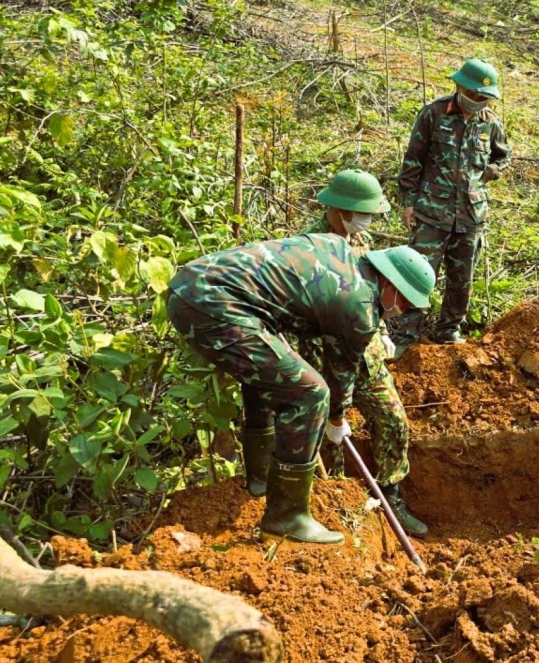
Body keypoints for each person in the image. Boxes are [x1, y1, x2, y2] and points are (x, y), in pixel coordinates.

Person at [166, 236, 435, 544]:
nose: (402, 310)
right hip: (210, 303)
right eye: (405, 302)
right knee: (310, 394)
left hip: (193, 286)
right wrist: (336, 419)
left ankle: (260, 479)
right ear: (390, 284)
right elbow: (341, 373)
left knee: (269, 377)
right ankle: (287, 517)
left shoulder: (339, 251)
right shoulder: (358, 305)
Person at [301, 169, 428, 537]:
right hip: (325, 359)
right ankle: (337, 507)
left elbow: (380, 288)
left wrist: (384, 330)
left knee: (393, 422)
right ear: (339, 209)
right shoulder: (310, 247)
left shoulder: (362, 239)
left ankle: (391, 495)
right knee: (331, 439)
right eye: (363, 212)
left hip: (367, 355)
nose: (367, 220)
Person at [394, 58, 511, 352]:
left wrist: (495, 170)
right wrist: (409, 203)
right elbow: (413, 161)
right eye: (473, 95)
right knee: (417, 275)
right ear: (459, 86)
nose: (478, 101)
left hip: (471, 216)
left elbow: (502, 156)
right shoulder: (434, 113)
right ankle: (406, 335)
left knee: (462, 280)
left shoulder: (491, 123)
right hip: (432, 212)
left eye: (484, 97)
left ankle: (448, 331)